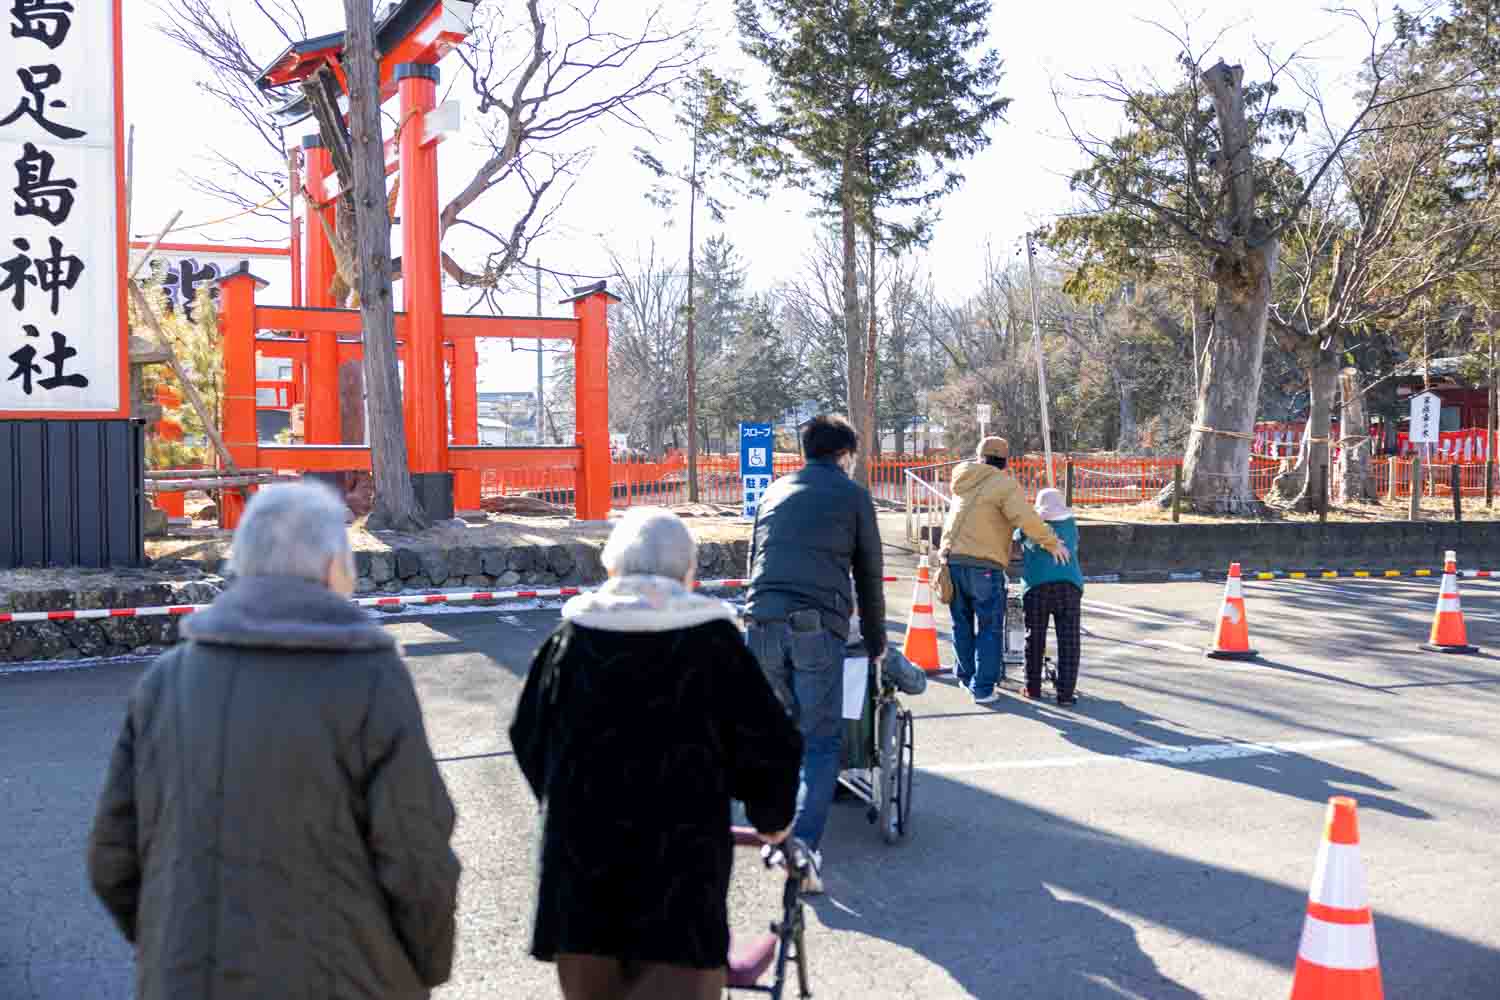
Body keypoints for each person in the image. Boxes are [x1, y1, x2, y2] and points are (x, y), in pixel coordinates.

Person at [87, 482, 461, 1000]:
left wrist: (171, 946)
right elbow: (417, 855)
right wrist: (422, 968)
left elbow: (112, 856)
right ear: (335, 566)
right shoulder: (370, 681)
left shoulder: (165, 680)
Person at [510, 508, 803, 1000]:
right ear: (689, 575)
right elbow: (771, 744)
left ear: (612, 570)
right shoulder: (714, 645)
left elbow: (526, 735)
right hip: (679, 884)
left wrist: (565, 799)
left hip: (580, 880)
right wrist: (771, 821)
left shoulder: (571, 640)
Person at [745, 414, 886, 893]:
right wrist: (876, 639)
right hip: (814, 625)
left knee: (777, 733)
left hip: (760, 621)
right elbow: (868, 575)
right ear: (844, 455)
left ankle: (776, 830)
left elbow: (755, 560)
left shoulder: (773, 492)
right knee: (820, 741)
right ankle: (802, 847)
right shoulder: (852, 495)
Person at [941, 436, 1070, 703]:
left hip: (951, 562)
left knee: (961, 624)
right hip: (984, 565)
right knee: (989, 627)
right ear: (1006, 461)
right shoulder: (1004, 484)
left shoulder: (962, 480)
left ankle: (966, 677)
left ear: (979, 457)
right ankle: (983, 688)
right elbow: (1025, 518)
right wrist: (1052, 542)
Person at [1017, 487, 1086, 706]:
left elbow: (1017, 538)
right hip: (1069, 586)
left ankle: (1032, 687)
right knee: (1069, 641)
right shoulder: (1071, 525)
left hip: (1036, 588)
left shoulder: (1029, 527)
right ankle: (1066, 693)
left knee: (1034, 638)